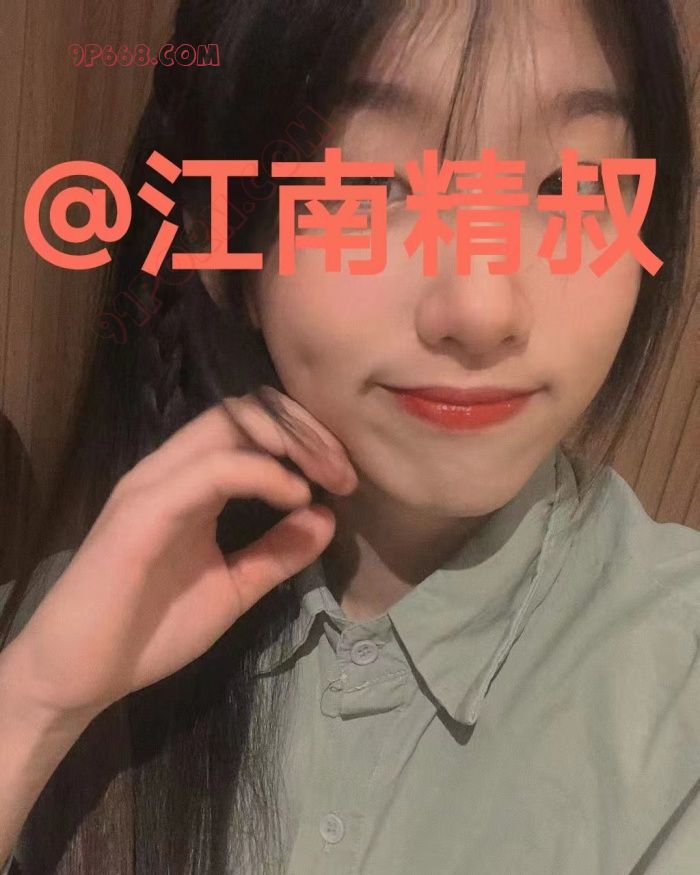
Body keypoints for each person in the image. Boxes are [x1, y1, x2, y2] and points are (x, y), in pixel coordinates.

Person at [0, 0, 698, 872]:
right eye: (371, 188)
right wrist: (32, 706)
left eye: (570, 187)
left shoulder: (676, 689)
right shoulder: (70, 622)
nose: (482, 307)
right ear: (221, 243)